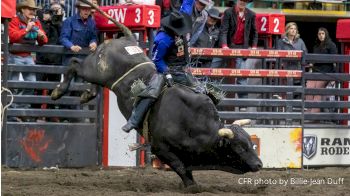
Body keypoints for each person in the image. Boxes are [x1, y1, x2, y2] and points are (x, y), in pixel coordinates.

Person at [122, 0, 195, 133]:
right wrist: (167, 73)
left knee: (202, 90)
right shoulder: (163, 39)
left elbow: (188, 4)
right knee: (152, 92)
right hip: (167, 70)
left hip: (183, 70)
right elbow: (157, 59)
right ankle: (133, 120)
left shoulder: (181, 18)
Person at [8, 0, 48, 121]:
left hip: (28, 56)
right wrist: (26, 30)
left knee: (31, 84)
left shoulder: (36, 22)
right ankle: (12, 112)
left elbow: (44, 40)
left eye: (34, 10)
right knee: (13, 85)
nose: (33, 11)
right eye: (30, 9)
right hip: (14, 56)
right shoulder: (14, 20)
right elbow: (12, 37)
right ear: (22, 9)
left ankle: (22, 110)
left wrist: (41, 37)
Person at [219, 0, 258, 110]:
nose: (242, 2)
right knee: (218, 72)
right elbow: (224, 30)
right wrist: (224, 45)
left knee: (241, 76)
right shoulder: (228, 12)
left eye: (245, 1)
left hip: (242, 48)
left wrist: (254, 47)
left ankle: (242, 105)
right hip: (228, 46)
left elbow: (255, 32)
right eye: (241, 0)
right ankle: (215, 102)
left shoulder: (251, 14)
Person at [306, 27, 337, 113]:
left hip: (326, 72)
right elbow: (313, 60)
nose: (321, 35)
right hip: (315, 71)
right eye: (319, 34)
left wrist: (333, 76)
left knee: (318, 91)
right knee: (309, 89)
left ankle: (314, 116)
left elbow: (335, 61)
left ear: (326, 34)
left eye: (323, 33)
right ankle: (308, 113)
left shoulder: (331, 45)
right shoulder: (316, 46)